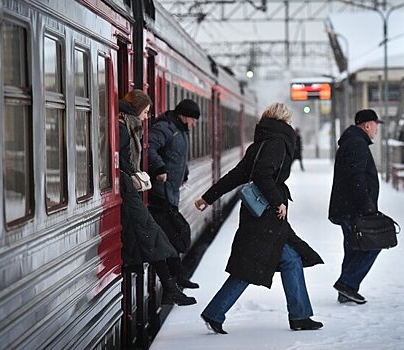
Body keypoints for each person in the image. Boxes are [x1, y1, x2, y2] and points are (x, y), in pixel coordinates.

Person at [194, 102, 324, 334]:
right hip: (268, 215)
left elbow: (238, 175)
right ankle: (299, 316)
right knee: (258, 264)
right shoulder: (277, 143)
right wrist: (278, 201)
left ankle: (299, 315)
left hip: (259, 214)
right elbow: (263, 175)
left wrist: (208, 197)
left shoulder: (262, 143)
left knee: (278, 261)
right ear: (285, 121)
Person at [119, 89, 196, 306]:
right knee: (156, 238)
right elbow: (120, 160)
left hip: (133, 192)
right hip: (131, 192)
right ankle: (172, 286)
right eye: (145, 112)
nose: (147, 117)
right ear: (137, 109)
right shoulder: (124, 129)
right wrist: (139, 173)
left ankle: (173, 285)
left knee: (156, 239)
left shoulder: (129, 125)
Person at [328, 109, 384, 304]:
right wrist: (367, 206)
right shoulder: (357, 144)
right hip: (354, 209)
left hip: (348, 207)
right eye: (376, 125)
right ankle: (347, 284)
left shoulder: (352, 141)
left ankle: (346, 291)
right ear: (368, 125)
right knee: (374, 244)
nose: (376, 130)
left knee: (354, 249)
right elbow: (357, 178)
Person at [148, 99, 201, 289]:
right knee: (173, 235)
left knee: (172, 236)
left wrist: (184, 172)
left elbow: (178, 156)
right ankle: (176, 279)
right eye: (194, 119)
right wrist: (159, 168)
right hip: (159, 194)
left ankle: (177, 278)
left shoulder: (181, 131)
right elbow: (149, 148)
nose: (194, 124)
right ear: (184, 116)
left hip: (171, 192)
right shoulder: (165, 128)